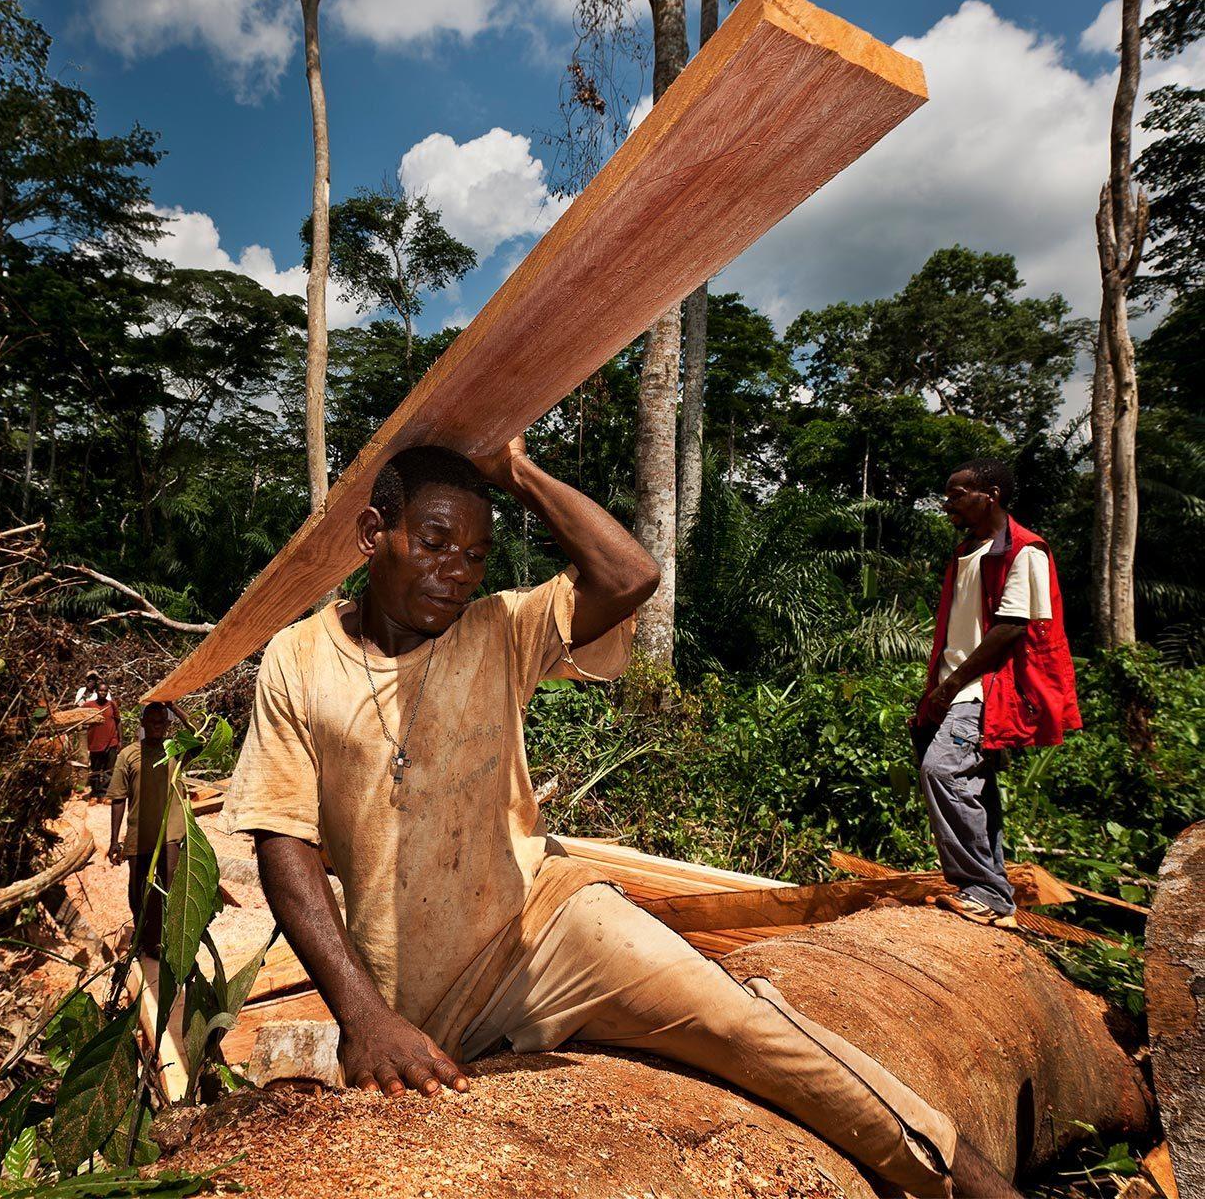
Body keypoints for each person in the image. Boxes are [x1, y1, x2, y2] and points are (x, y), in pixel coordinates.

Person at [224, 440, 1017, 1198]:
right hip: (424, 996)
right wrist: (364, 1015)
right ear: (374, 532)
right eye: (433, 543)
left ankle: (970, 1184)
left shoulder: (501, 627)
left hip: (545, 928)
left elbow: (629, 572)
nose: (456, 573)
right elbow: (283, 840)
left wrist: (517, 471)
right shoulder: (299, 659)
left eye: (475, 555)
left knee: (744, 1027)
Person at [914, 459, 1081, 928]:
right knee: (975, 787)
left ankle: (986, 891)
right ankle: (994, 889)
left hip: (987, 690)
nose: (948, 505)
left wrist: (949, 688)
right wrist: (935, 690)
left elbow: (1010, 628)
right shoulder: (967, 551)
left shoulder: (1025, 551)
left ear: (989, 494)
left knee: (942, 771)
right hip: (955, 686)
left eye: (956, 495)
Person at [107, 702, 191, 957]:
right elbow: (118, 798)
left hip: (170, 833)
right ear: (142, 724)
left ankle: (164, 939)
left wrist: (174, 707)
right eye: (151, 721)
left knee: (169, 885)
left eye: (161, 721)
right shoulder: (128, 755)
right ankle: (144, 935)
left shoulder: (175, 749)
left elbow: (200, 736)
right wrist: (114, 841)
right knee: (138, 889)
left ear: (167, 725)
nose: (157, 725)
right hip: (138, 833)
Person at [87, 682, 121, 797]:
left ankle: (104, 793)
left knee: (109, 770)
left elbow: (118, 722)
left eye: (105, 691)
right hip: (95, 742)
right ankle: (95, 793)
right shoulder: (89, 705)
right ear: (96, 691)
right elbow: (78, 715)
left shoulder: (112, 705)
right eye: (101, 690)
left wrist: (120, 740)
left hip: (112, 741)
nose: (103, 693)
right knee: (95, 769)